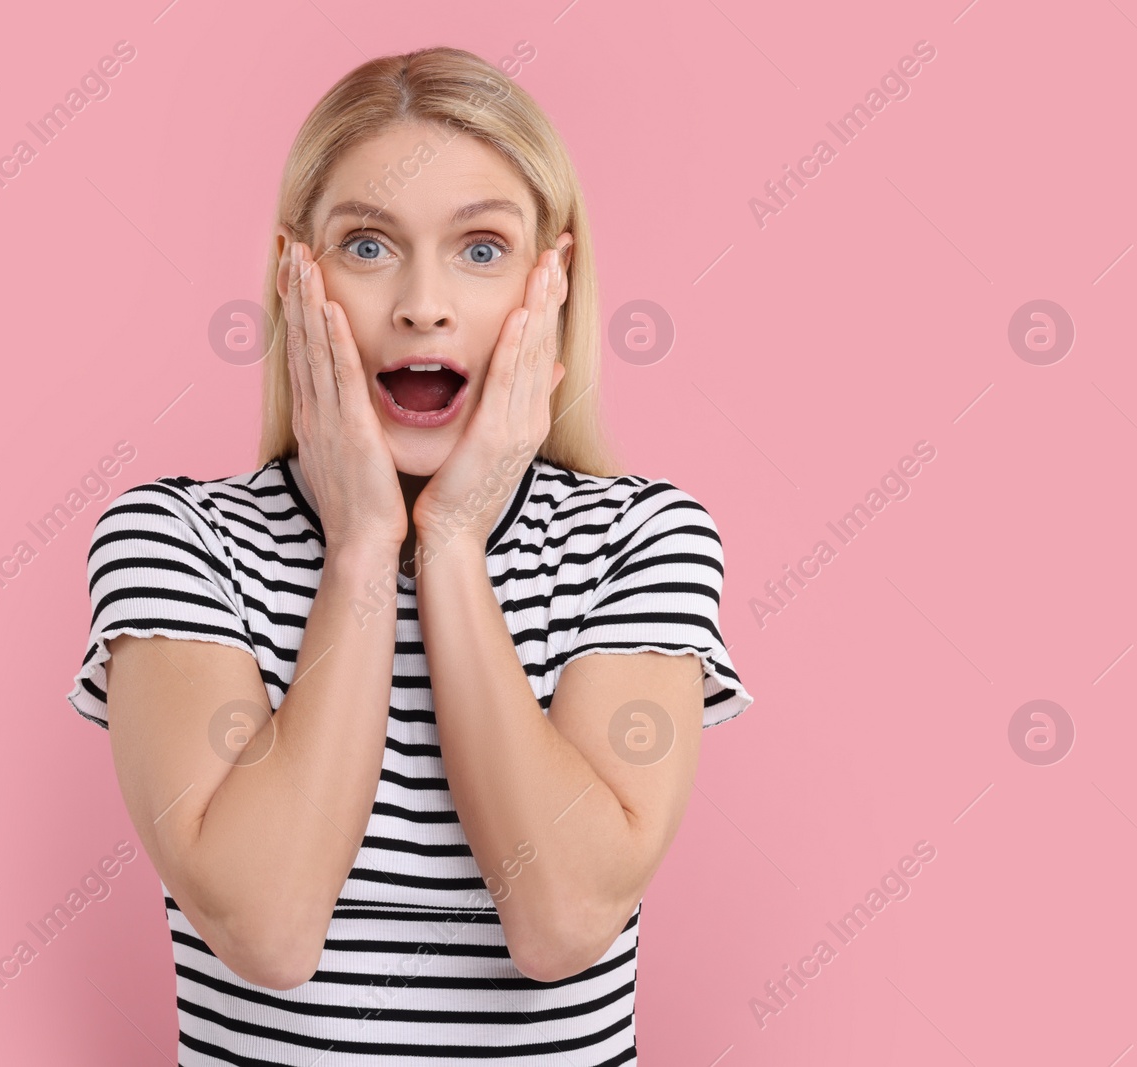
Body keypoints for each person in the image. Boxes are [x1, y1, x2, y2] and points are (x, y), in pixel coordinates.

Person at [66, 45, 753, 1066]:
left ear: (550, 280)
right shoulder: (177, 543)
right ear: (298, 276)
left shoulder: (642, 542)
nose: (422, 303)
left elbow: (563, 920)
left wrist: (454, 545)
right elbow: (267, 927)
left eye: (481, 249)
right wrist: (358, 549)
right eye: (368, 246)